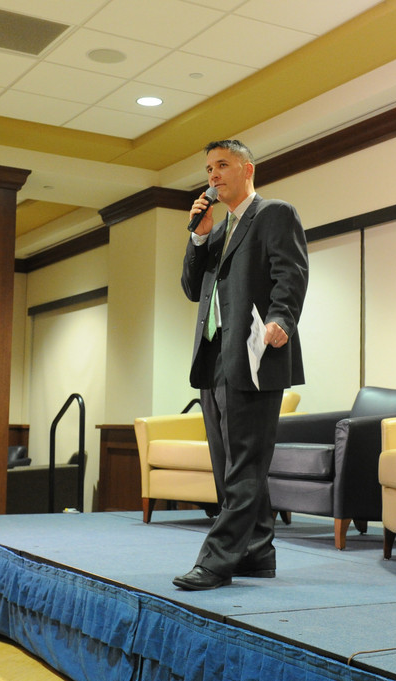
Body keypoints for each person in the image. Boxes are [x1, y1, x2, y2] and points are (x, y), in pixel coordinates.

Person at [174, 139, 308, 590]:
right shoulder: (217, 228)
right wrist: (197, 235)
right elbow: (193, 288)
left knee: (244, 464)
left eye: (223, 165)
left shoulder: (274, 213)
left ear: (247, 169)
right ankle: (256, 551)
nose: (213, 175)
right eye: (209, 168)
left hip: (254, 355)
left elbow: (291, 271)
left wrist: (281, 318)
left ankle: (217, 560)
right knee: (227, 462)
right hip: (213, 358)